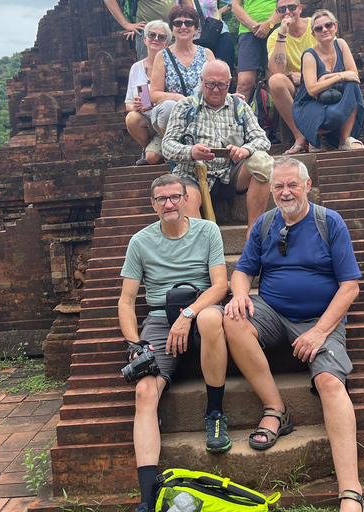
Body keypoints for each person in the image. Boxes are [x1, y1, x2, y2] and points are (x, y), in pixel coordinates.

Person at [223, 157, 364, 512]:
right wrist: (240, 293)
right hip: (273, 313)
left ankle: (351, 490)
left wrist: (319, 332)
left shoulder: (328, 221)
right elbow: (242, 270)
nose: (285, 192)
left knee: (332, 384)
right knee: (231, 319)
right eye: (278, 186)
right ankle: (276, 409)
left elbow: (350, 288)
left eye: (292, 185)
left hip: (321, 319)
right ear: (271, 190)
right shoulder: (265, 224)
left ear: (307, 185)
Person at [120, 174, 231, 512]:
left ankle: (214, 413)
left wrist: (188, 314)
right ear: (153, 204)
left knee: (213, 317)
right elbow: (126, 301)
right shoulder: (140, 241)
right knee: (143, 391)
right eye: (161, 199)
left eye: (174, 197)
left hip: (200, 308)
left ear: (186, 199)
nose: (168, 203)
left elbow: (220, 285)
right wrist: (134, 342)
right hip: (157, 319)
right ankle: (146, 497)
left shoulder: (207, 231)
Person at [161, 60, 272, 237]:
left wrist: (244, 150)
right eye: (210, 84)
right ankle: (203, 249)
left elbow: (262, 140)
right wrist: (191, 152)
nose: (215, 89)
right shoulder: (184, 107)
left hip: (230, 172)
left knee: (262, 162)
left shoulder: (239, 106)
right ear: (201, 80)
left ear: (229, 82)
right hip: (193, 174)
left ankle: (254, 233)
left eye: (221, 85)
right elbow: (167, 146)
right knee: (185, 199)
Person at [293, 10, 364, 151]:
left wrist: (327, 77)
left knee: (353, 84)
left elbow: (353, 74)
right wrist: (340, 76)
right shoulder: (309, 55)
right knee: (336, 112)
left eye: (328, 25)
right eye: (319, 28)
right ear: (313, 34)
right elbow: (312, 89)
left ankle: (345, 139)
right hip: (311, 105)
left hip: (335, 99)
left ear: (335, 27)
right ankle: (314, 135)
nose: (324, 30)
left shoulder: (341, 44)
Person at [150, 4, 216, 137]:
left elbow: (217, 84)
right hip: (173, 115)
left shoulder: (207, 54)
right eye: (178, 23)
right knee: (168, 106)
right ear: (172, 28)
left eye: (189, 23)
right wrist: (178, 99)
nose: (183, 27)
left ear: (196, 27)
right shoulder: (163, 56)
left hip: (203, 112)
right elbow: (154, 94)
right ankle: (172, 144)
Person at [263, 0, 314, 154]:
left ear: (299, 8)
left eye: (291, 7)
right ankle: (300, 136)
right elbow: (277, 70)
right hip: (294, 86)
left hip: (319, 81)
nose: (287, 12)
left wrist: (306, 77)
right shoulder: (274, 37)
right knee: (275, 81)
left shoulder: (316, 25)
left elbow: (332, 59)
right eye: (282, 9)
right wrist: (282, 34)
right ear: (277, 13)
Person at [125, 21, 173, 165]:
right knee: (131, 118)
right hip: (147, 121)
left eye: (162, 37)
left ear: (167, 44)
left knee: (153, 159)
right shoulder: (136, 68)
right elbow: (128, 103)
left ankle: (166, 149)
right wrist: (136, 107)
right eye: (152, 35)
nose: (156, 39)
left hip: (167, 123)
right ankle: (147, 147)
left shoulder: (172, 66)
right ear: (145, 39)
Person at [103, 0, 191, 60]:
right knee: (149, 73)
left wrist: (189, 23)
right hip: (150, 34)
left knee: (176, 75)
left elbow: (187, 3)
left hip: (173, 32)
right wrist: (125, 24)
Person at [231, 0, 281, 98]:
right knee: (244, 83)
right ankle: (239, 112)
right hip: (248, 30)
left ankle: (273, 113)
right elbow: (235, 6)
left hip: (277, 27)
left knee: (274, 81)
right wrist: (252, 25)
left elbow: (286, 4)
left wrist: (269, 24)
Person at [192, 0, 236, 72]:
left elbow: (236, 2)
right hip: (194, 39)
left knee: (225, 73)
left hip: (219, 34)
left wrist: (221, 11)